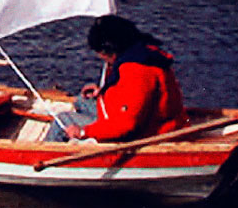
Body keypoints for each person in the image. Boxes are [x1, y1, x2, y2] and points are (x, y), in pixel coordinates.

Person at [46, 15, 188, 142]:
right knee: (82, 101)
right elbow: (129, 94)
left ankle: (42, 157)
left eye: (99, 52)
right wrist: (103, 92)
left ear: (109, 51)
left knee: (62, 120)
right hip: (143, 117)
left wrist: (83, 132)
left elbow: (127, 125)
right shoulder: (141, 52)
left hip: (148, 131)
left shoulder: (137, 71)